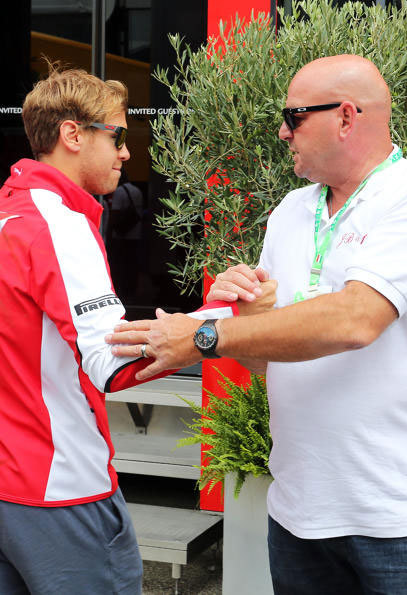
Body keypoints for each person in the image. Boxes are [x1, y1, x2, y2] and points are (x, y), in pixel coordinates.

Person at [106, 54, 407, 594]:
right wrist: (250, 317)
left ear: (347, 117)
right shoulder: (290, 210)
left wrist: (205, 336)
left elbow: (356, 319)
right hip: (297, 511)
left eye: (294, 116)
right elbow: (270, 361)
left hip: (403, 520)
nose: (282, 132)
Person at [0, 63, 274, 594]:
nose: (127, 152)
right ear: (73, 135)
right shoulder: (58, 225)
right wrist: (228, 319)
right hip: (60, 491)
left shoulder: (11, 212)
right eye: (119, 134)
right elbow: (113, 364)